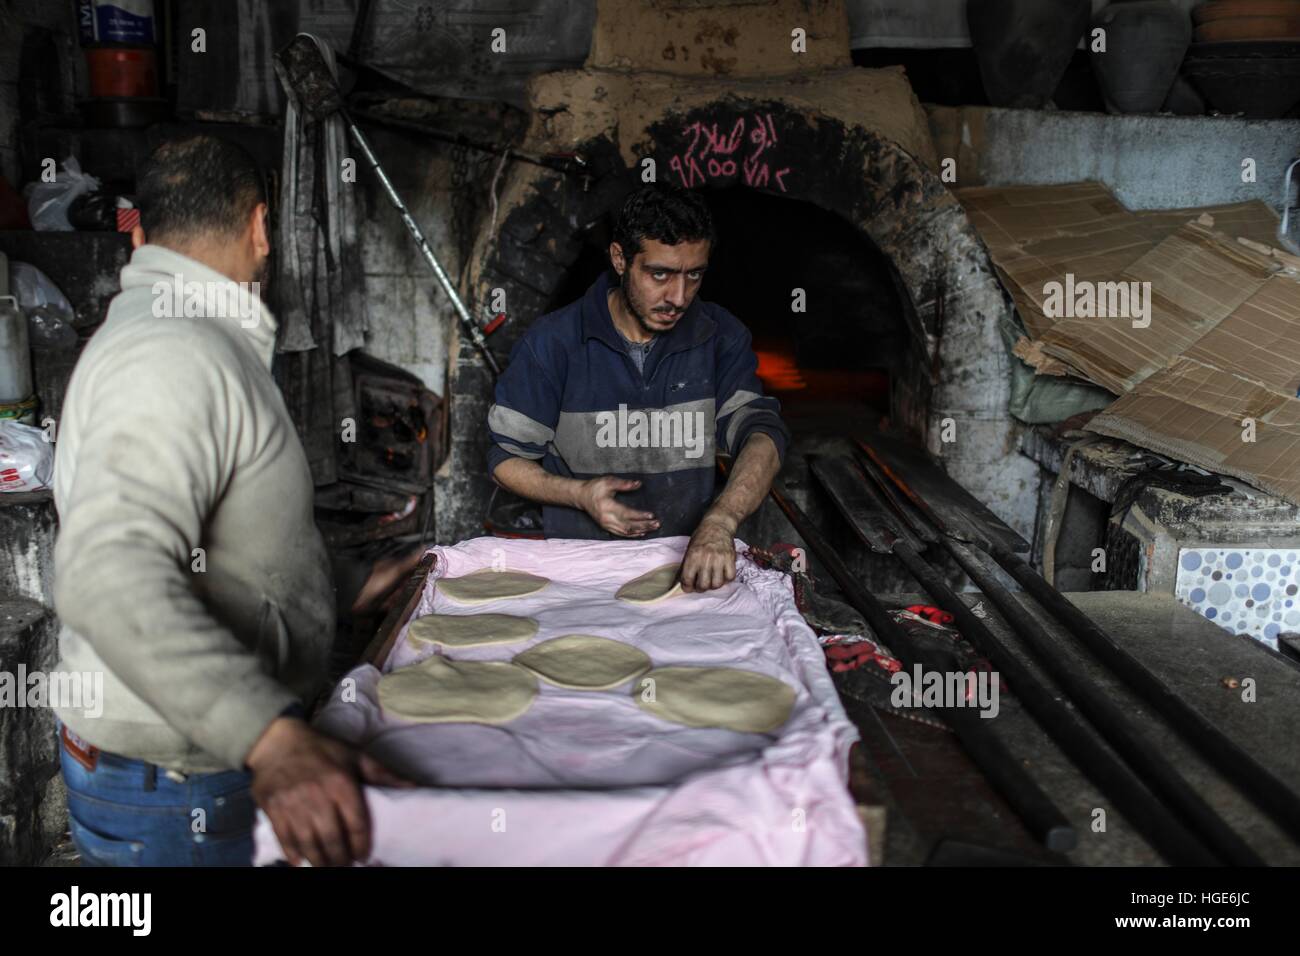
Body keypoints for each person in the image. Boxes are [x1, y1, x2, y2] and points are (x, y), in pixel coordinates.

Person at [51, 134, 410, 867]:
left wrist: (337, 588)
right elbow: (106, 572)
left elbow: (217, 545)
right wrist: (270, 737)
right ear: (259, 227)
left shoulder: (180, 336)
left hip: (172, 770)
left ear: (141, 235)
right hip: (174, 779)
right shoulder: (171, 350)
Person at [487, 184, 790, 591]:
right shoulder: (554, 342)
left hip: (686, 569)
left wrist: (721, 521)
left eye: (694, 275)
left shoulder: (721, 338)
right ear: (620, 259)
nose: (678, 297)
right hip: (577, 572)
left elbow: (763, 436)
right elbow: (504, 459)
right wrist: (579, 495)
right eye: (659, 274)